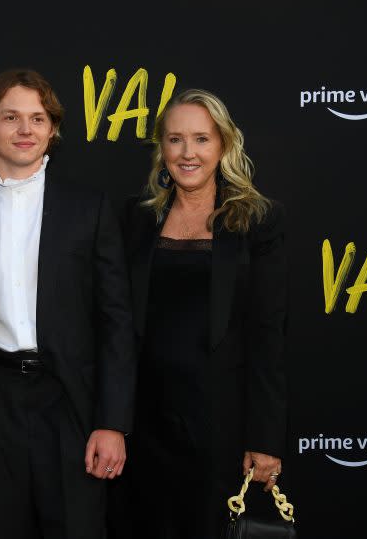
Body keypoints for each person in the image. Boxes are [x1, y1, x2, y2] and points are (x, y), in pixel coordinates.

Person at [0, 69, 135, 539]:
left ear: (51, 129)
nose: (25, 130)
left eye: (37, 118)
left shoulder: (90, 209)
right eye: (11, 117)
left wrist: (113, 422)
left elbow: (117, 324)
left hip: (71, 404)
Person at [120, 89, 288, 538]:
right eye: (175, 140)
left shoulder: (256, 221)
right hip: (145, 421)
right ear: (162, 149)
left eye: (201, 139)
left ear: (224, 146)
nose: (187, 153)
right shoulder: (135, 221)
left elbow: (268, 335)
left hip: (220, 422)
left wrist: (265, 439)